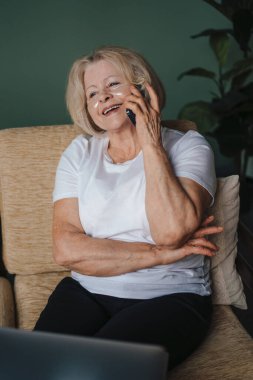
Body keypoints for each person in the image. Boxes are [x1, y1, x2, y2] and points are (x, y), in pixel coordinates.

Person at [34, 46, 223, 369]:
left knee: (94, 372)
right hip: (86, 290)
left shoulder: (189, 146)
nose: (103, 97)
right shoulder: (79, 153)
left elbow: (171, 231)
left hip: (170, 296)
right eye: (92, 92)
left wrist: (150, 142)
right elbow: (65, 250)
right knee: (33, 369)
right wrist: (157, 255)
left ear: (143, 87)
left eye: (113, 85)